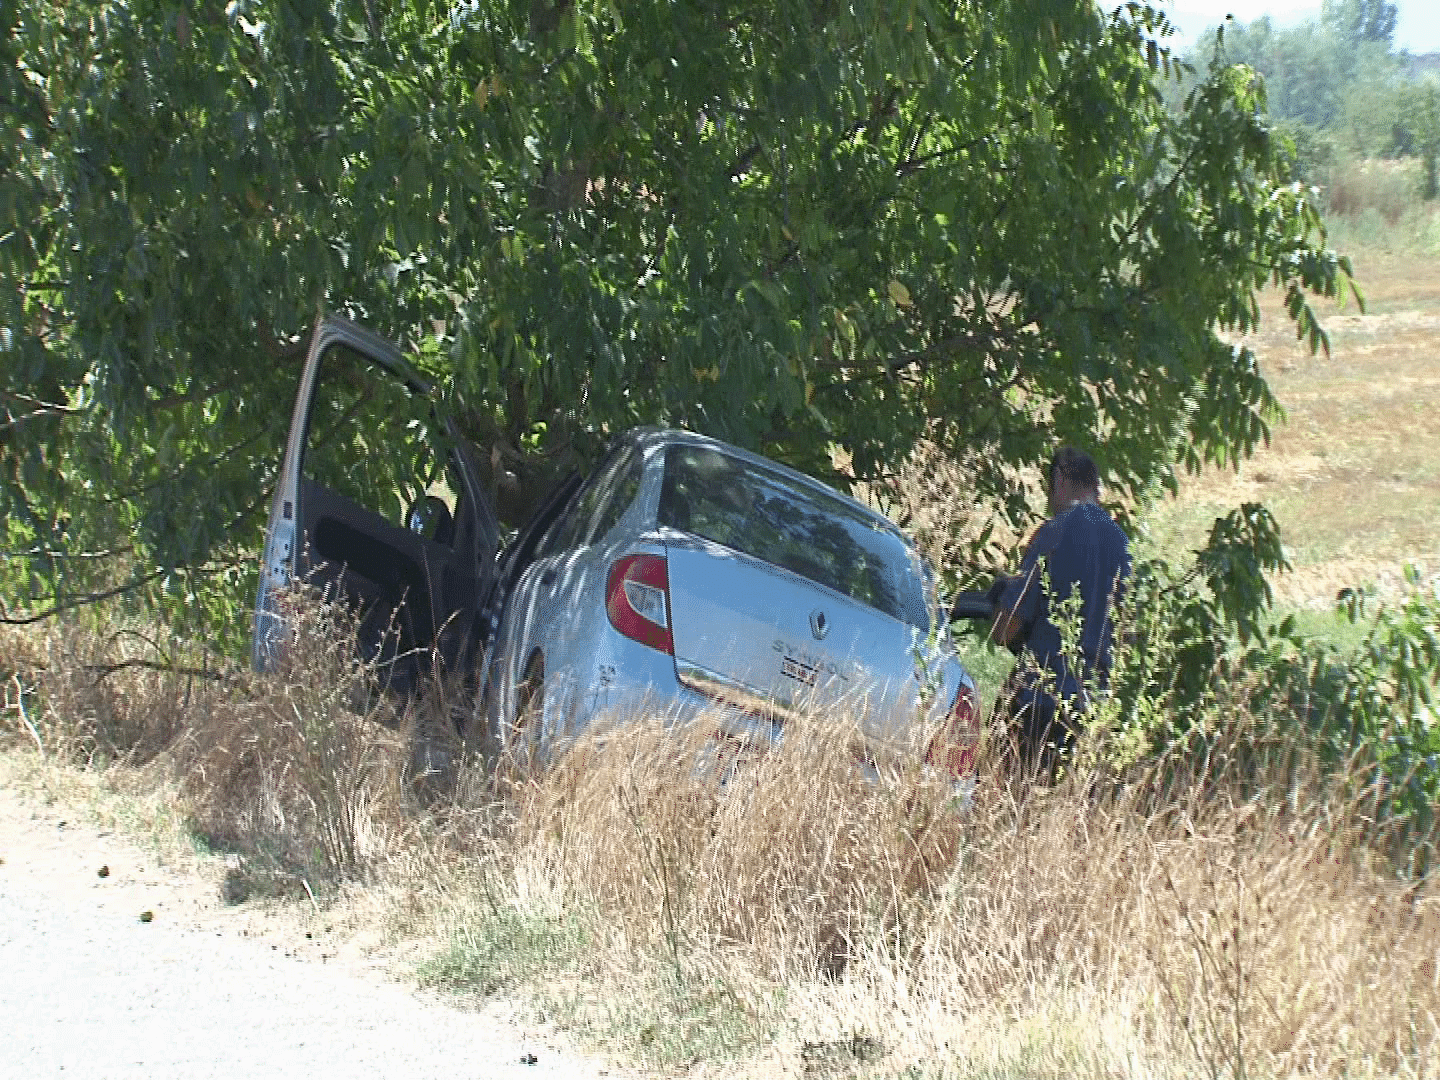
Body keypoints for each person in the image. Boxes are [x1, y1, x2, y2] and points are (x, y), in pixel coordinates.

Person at [989, 448, 1131, 775]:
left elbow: (1009, 625)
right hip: (1091, 713)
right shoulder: (1124, 547)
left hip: (1037, 704)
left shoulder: (1056, 531)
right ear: (1096, 487)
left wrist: (997, 613)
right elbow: (1129, 640)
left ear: (1060, 480)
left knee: (1000, 805)